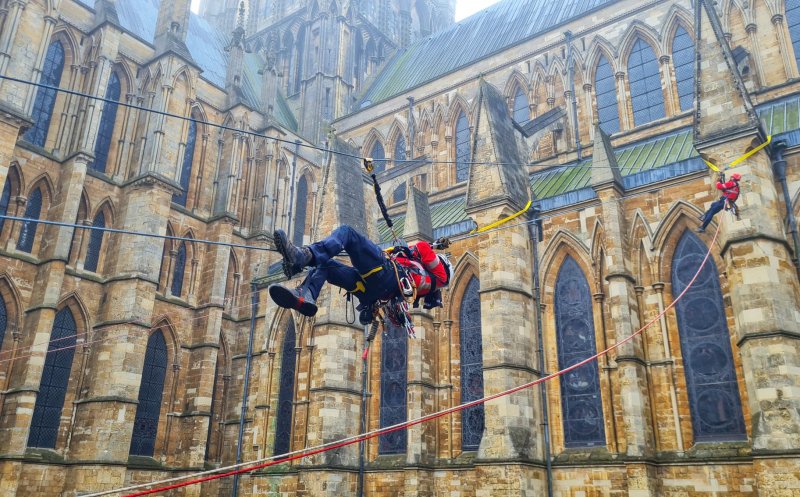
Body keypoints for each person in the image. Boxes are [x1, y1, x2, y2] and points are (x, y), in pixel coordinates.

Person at [268, 226, 451, 324]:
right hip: (370, 292)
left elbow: (422, 247)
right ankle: (305, 296)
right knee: (326, 265)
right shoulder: (423, 281)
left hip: (385, 275)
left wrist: (407, 249)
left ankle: (301, 257)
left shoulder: (441, 276)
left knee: (347, 233)